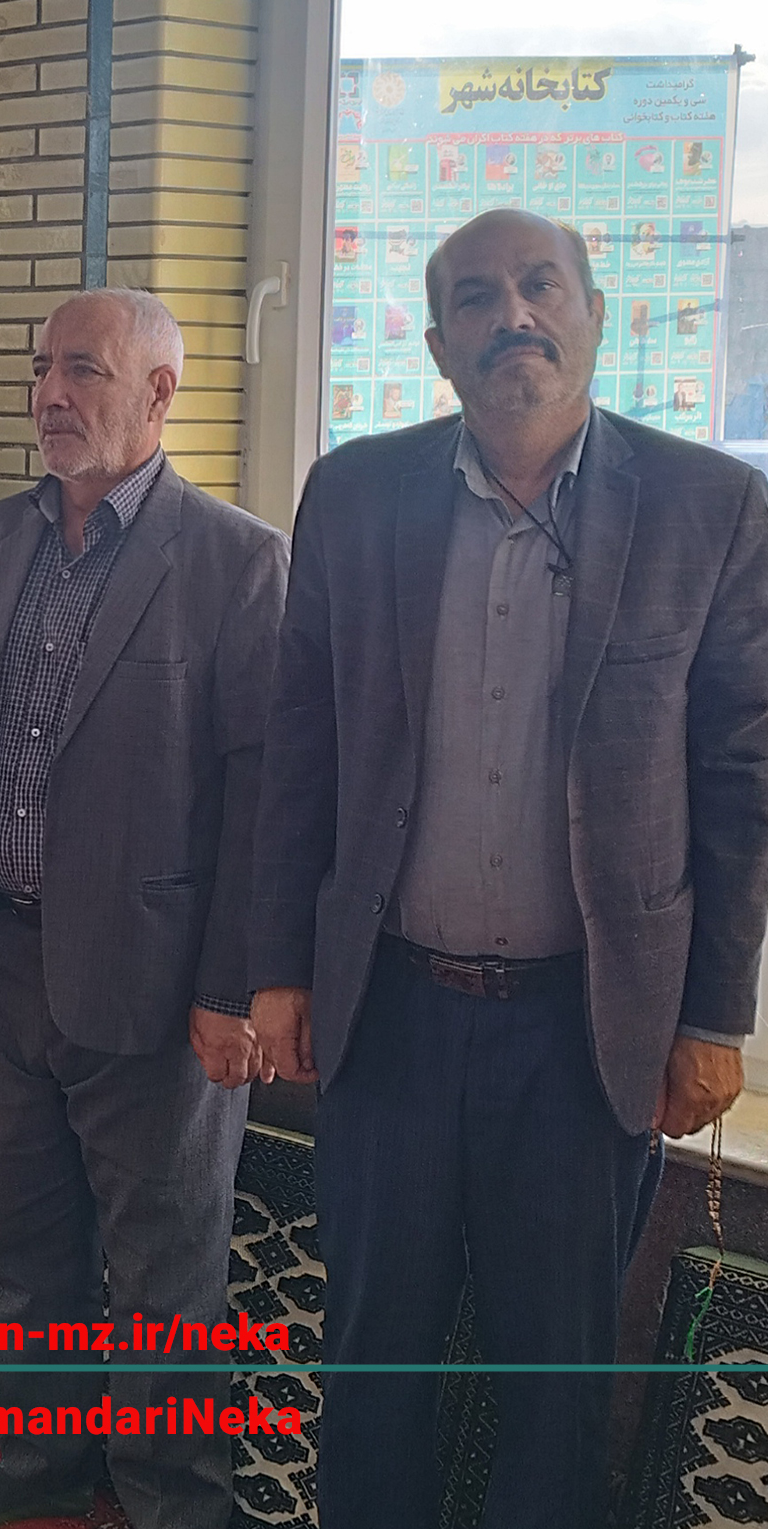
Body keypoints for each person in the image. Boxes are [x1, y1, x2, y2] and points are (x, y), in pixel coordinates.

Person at [251, 207, 768, 1529]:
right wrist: (278, 968)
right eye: (477, 298)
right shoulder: (355, 495)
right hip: (392, 1015)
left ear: (597, 315)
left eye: (542, 287)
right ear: (438, 344)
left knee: (557, 1374)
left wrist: (715, 1015)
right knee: (373, 1355)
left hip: (587, 1028)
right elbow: (301, 744)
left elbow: (738, 777)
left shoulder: (710, 506)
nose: (513, 316)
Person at [0, 290, 287, 1529]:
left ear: (161, 391)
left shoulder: (235, 558)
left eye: (84, 369)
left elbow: (263, 799)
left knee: (165, 1267)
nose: (51, 394)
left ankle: (177, 1498)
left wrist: (230, 987)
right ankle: (42, 1462)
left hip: (155, 981)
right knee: (19, 1243)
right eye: (42, 369)